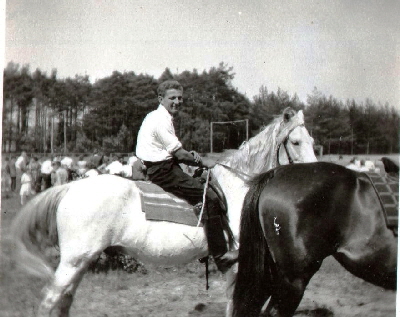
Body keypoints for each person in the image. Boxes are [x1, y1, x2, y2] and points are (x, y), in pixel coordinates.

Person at [136, 80, 237, 273]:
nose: (177, 102)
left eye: (180, 98)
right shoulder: (160, 120)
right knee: (210, 197)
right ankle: (221, 255)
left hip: (164, 166)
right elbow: (179, 154)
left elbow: (175, 152)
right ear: (161, 99)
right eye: (172, 98)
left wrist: (190, 155)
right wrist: (204, 162)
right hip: (164, 171)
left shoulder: (157, 116)